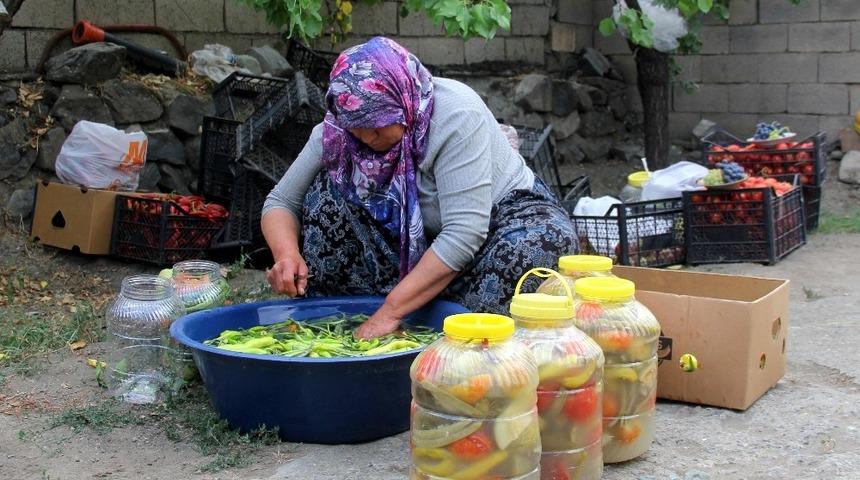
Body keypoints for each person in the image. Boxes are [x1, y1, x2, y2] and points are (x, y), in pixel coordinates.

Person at [261, 36, 577, 339]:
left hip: (494, 229)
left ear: (402, 102)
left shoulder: (455, 116)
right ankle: (342, 312)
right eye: (354, 128)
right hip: (407, 245)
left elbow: (465, 232)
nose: (365, 139)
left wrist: (389, 313)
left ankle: (430, 323)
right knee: (323, 195)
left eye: (375, 126)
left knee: (537, 247)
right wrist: (286, 255)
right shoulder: (339, 130)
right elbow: (281, 201)